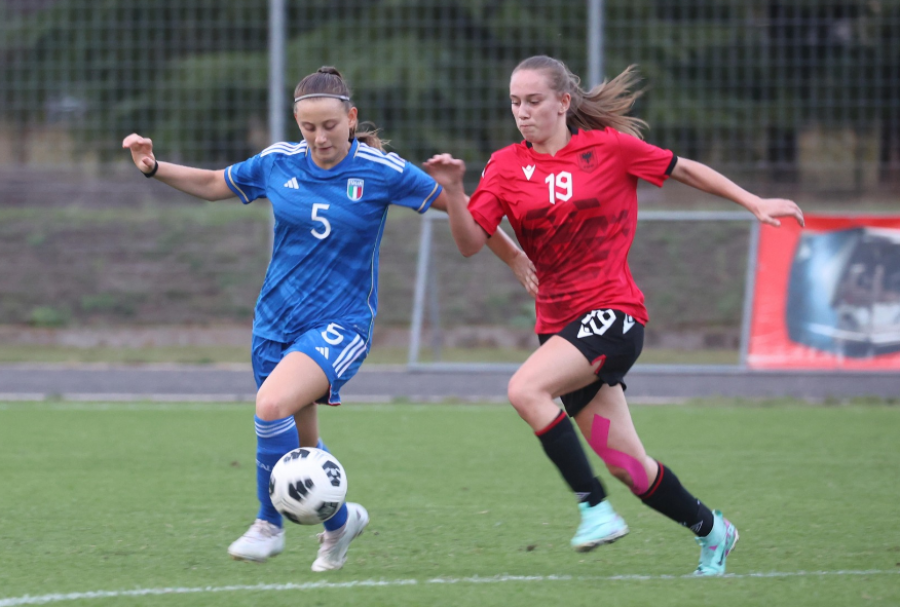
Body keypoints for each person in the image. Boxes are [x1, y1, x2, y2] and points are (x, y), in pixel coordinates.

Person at [122, 66, 535, 572]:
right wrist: (152, 166)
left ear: (351, 117)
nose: (320, 138)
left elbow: (466, 214)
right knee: (301, 441)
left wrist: (511, 253)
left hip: (341, 324)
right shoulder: (278, 162)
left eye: (330, 126)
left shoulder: (383, 171)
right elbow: (212, 184)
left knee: (271, 404)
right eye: (308, 128)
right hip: (274, 323)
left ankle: (267, 525)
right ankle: (340, 526)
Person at [424, 55, 804, 576]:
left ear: (563, 102)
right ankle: (714, 531)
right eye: (515, 101)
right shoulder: (505, 166)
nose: (522, 112)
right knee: (630, 466)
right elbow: (470, 242)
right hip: (557, 326)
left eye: (533, 100)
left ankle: (593, 508)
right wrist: (454, 192)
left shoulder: (609, 149)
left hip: (614, 314)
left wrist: (752, 200)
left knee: (525, 390)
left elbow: (683, 168)